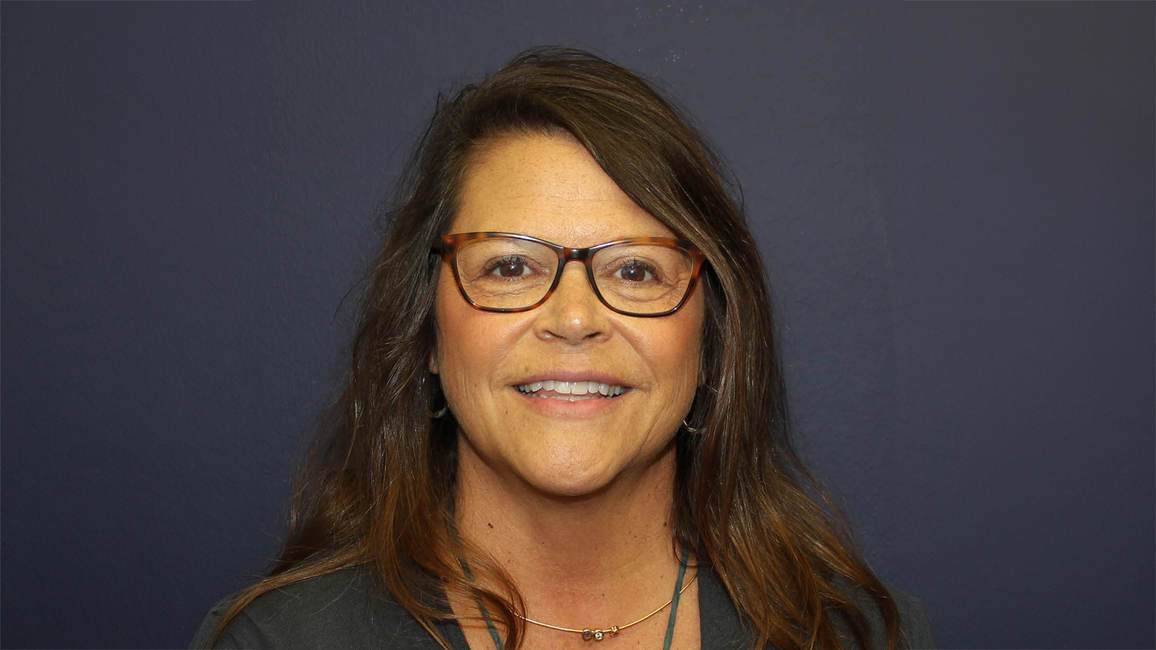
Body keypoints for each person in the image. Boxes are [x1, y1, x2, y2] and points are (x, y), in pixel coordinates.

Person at [191, 47, 936, 650]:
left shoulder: (857, 636)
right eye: (511, 265)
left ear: (711, 341)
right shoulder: (278, 642)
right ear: (425, 331)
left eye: (636, 268)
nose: (574, 317)